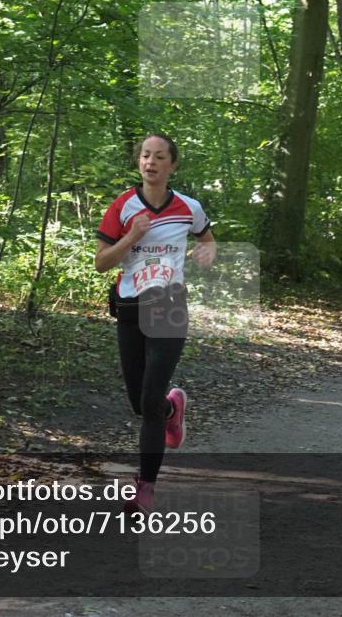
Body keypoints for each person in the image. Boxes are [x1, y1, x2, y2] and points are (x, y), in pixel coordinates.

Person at [95, 134, 216, 515]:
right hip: (130, 309)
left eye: (160, 157)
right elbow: (101, 262)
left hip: (169, 308)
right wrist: (132, 236)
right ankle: (170, 409)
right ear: (139, 162)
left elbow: (207, 238)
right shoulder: (124, 207)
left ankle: (144, 489)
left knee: (147, 398)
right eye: (146, 155)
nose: (151, 162)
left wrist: (206, 252)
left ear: (172, 165)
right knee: (139, 402)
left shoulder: (189, 207)